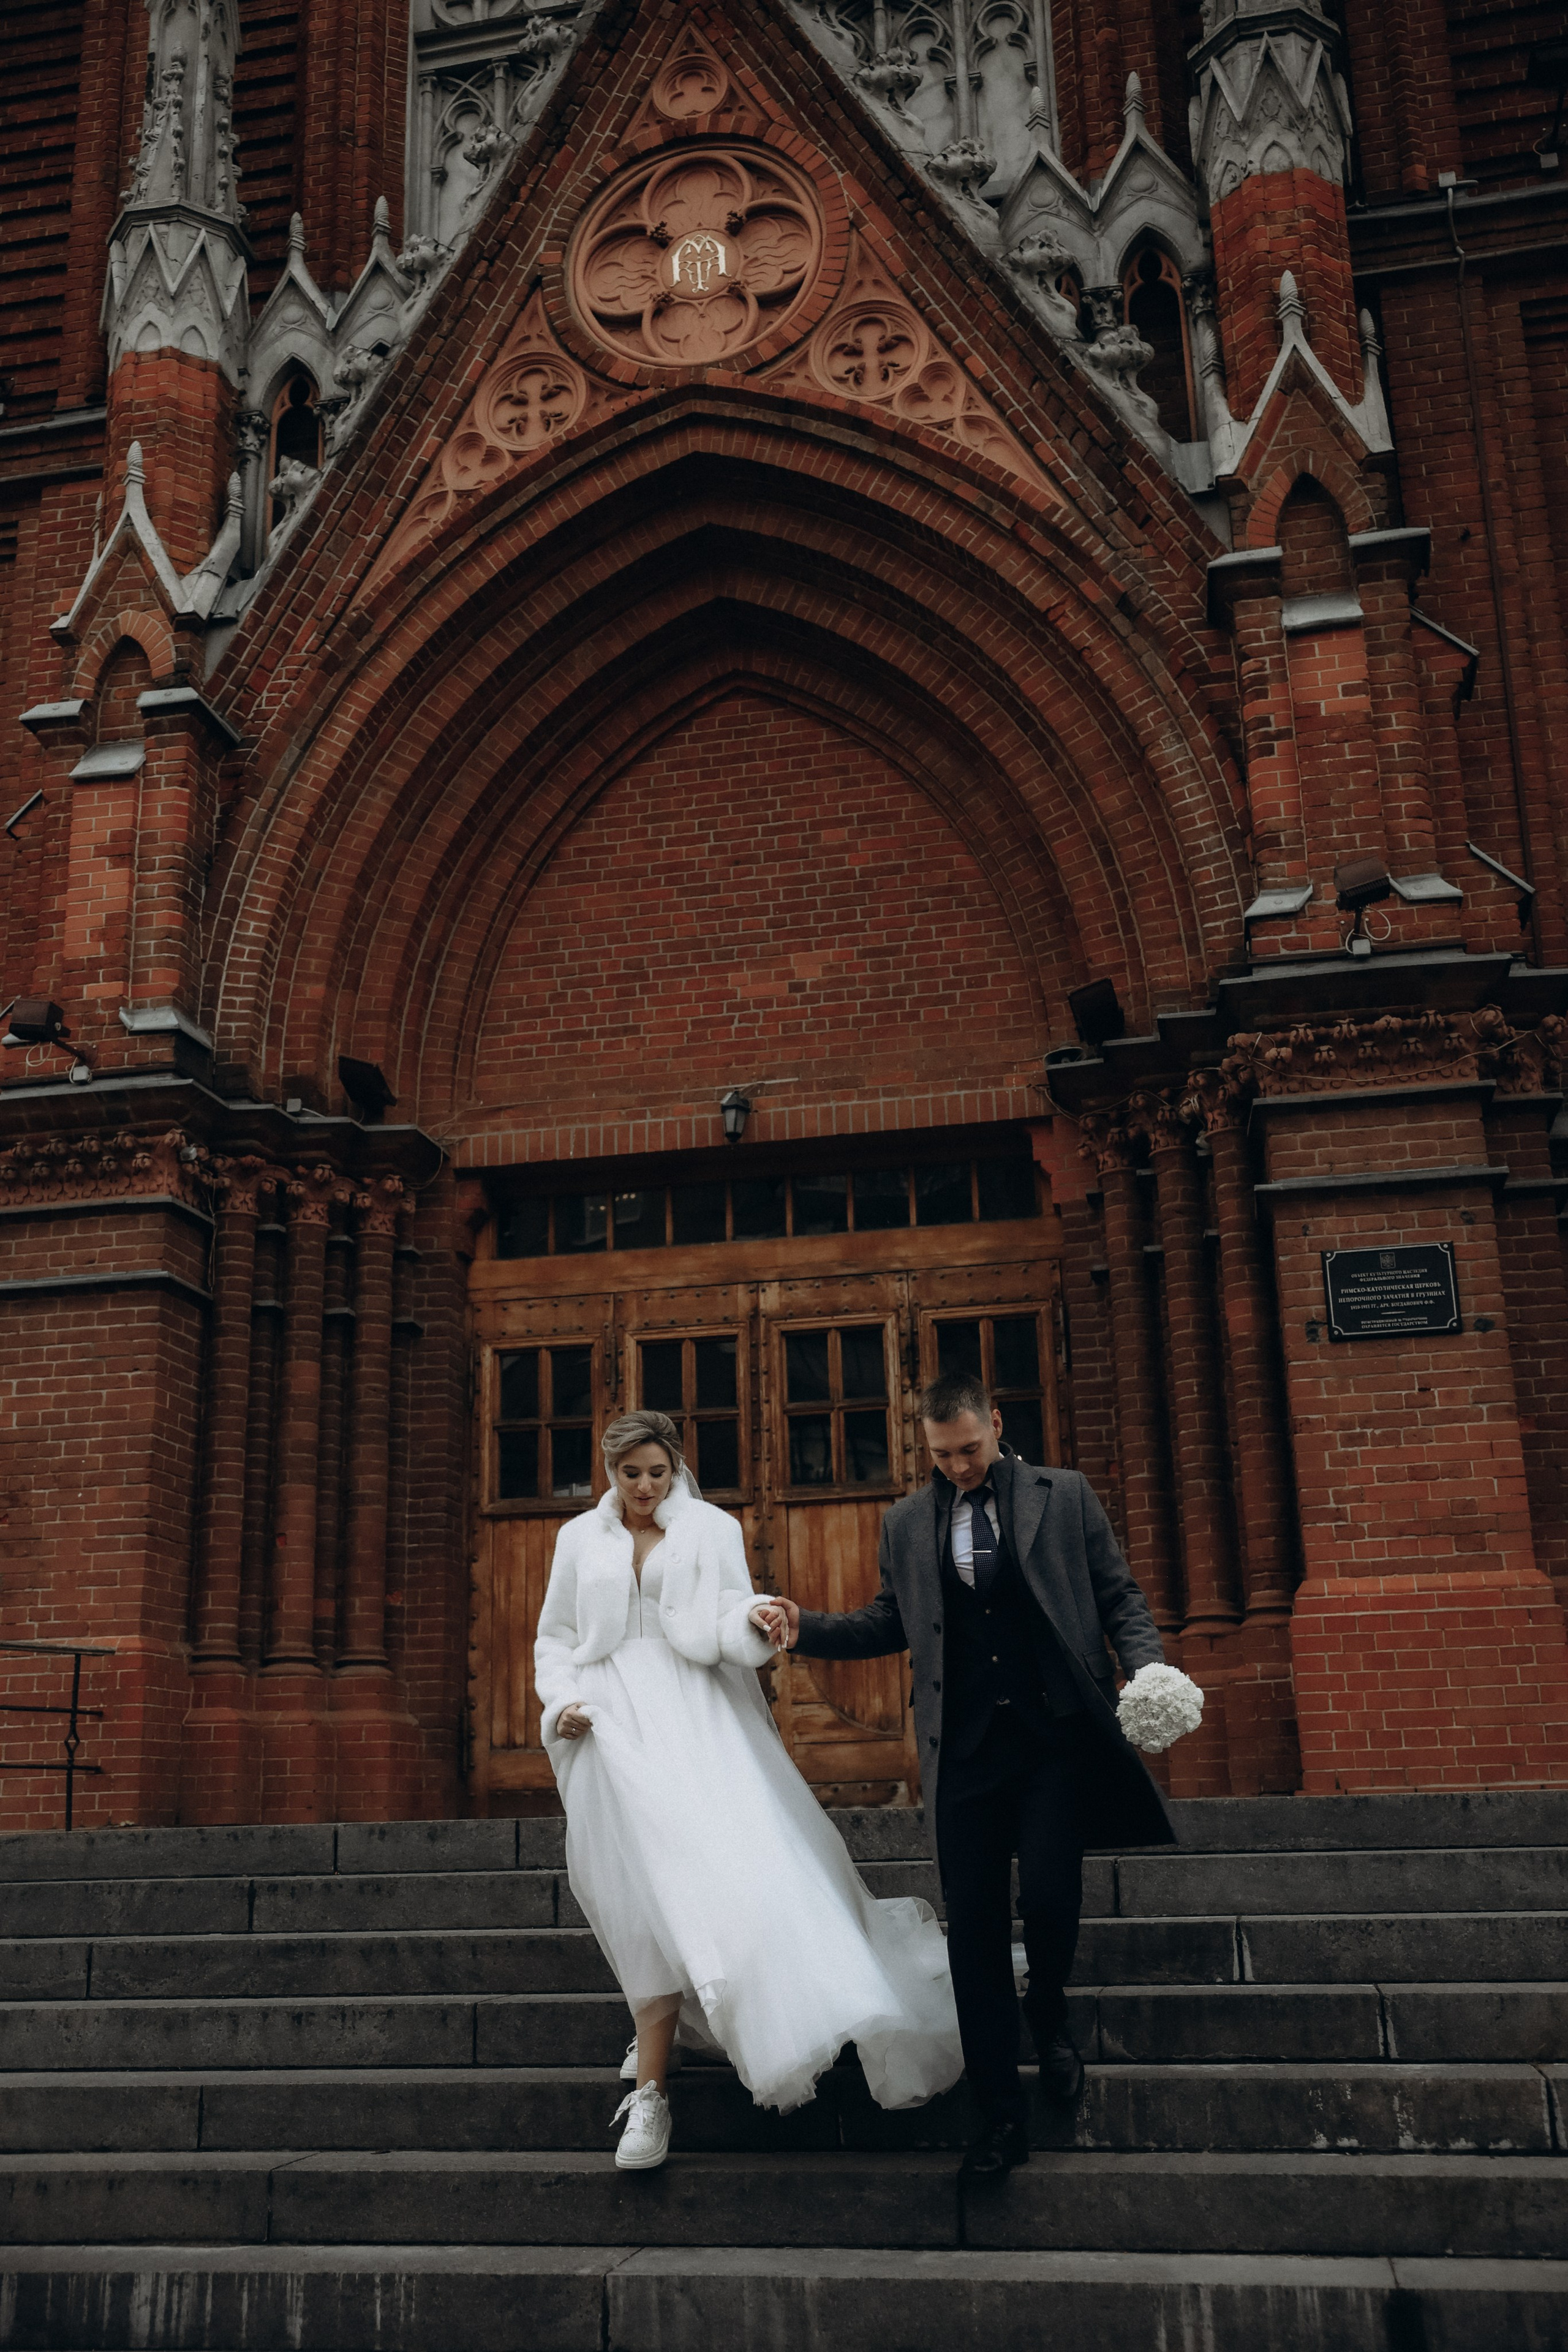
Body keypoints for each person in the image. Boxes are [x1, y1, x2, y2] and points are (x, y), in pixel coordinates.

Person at [768, 1371, 1189, 2182]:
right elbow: (889, 1619)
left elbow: (1119, 1595)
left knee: (1053, 1898)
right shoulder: (905, 1522)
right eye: (942, 1454)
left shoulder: (1061, 1496)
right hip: (962, 1755)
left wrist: (1147, 1671)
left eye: (969, 1448)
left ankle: (1051, 2014)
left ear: (996, 1425)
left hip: (1051, 1742)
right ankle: (1001, 2117)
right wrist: (805, 1627)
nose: (958, 1465)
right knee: (975, 1939)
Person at [534, 1408, 963, 2172]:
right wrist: (560, 1702)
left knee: (718, 1873)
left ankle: (671, 2070)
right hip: (608, 1722)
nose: (644, 1488)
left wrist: (757, 1620)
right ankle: (655, 2054)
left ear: (675, 1467)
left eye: (657, 1473)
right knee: (635, 1891)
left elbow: (728, 1615)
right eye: (630, 1474)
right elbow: (556, 1636)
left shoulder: (711, 1530)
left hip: (694, 1713)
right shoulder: (576, 1540)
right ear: (610, 1472)